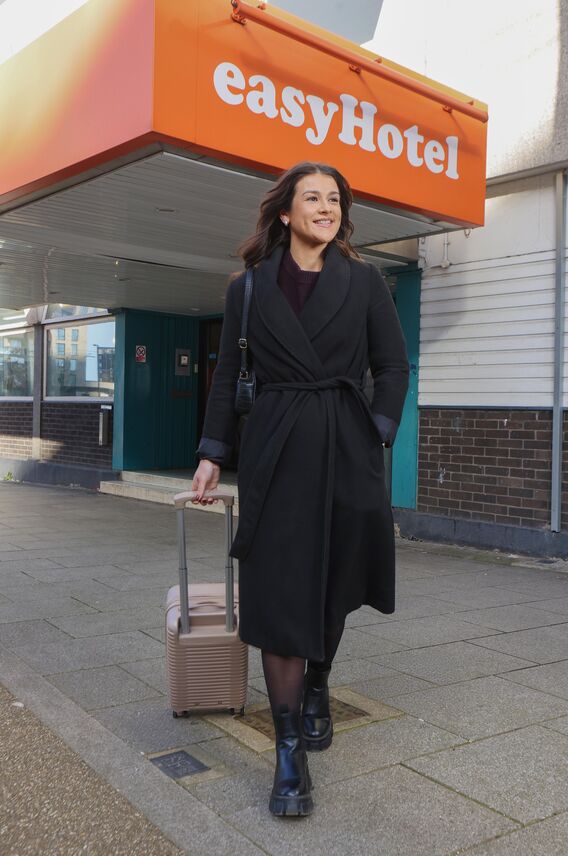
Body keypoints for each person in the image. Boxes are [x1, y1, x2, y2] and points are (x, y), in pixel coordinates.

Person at [191, 161, 409, 817]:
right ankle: (289, 750)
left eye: (334, 198)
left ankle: (319, 682)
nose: (326, 207)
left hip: (347, 447)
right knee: (281, 590)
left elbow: (392, 365)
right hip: (277, 450)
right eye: (312, 197)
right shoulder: (249, 287)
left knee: (336, 579)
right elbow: (228, 374)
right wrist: (211, 453)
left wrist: (377, 430)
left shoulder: (365, 282)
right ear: (285, 213)